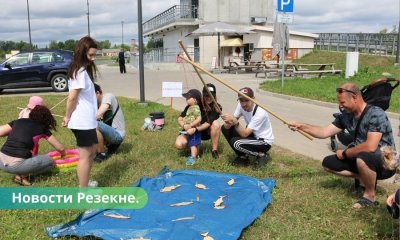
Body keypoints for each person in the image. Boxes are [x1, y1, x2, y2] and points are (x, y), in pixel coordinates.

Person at [288, 83, 396, 208]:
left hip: (386, 163)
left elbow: (370, 146)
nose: (341, 106)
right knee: (328, 164)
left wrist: (345, 153)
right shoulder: (346, 116)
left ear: (355, 97)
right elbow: (324, 132)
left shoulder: (376, 114)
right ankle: (367, 177)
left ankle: (369, 197)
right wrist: (301, 126)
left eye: (343, 102)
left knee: (364, 156)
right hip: (363, 157)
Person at [63, 36, 99, 187]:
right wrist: (67, 116)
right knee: (85, 156)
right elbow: (72, 98)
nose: (92, 58)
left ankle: (84, 183)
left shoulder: (83, 70)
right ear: (81, 52)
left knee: (91, 154)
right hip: (82, 122)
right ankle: (82, 191)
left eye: (94, 55)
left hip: (87, 121)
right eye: (90, 55)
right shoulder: (79, 71)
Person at [0, 105, 65, 186]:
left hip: (1, 162)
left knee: (31, 157)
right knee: (50, 162)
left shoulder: (18, 121)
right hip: (15, 165)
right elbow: (60, 148)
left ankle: (21, 174)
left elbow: (1, 132)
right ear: (47, 118)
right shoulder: (42, 128)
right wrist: (63, 154)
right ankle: (22, 176)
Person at [220, 87, 274, 168]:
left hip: (263, 142)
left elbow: (245, 134)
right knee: (224, 128)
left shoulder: (260, 112)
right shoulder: (240, 105)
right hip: (252, 135)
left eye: (246, 100)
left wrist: (234, 121)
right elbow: (229, 125)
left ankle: (262, 155)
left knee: (236, 143)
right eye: (241, 100)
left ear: (253, 99)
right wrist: (227, 121)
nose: (244, 104)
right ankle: (243, 156)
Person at [175, 84, 222, 160]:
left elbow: (207, 123)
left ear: (214, 96)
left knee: (216, 124)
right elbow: (180, 117)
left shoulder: (217, 108)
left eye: (211, 95)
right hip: (189, 130)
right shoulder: (195, 103)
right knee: (179, 144)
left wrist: (195, 129)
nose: (209, 98)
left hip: (204, 132)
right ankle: (190, 145)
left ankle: (214, 150)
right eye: (206, 95)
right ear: (203, 95)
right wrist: (184, 126)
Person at [94, 83, 125, 162]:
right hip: (109, 136)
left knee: (92, 124)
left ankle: (101, 154)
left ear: (98, 92)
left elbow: (98, 114)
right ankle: (108, 146)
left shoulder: (108, 96)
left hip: (118, 135)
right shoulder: (95, 105)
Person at [176, 89, 202, 165]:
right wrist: (184, 123)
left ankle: (193, 157)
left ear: (195, 100)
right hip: (187, 129)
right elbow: (185, 117)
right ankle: (192, 152)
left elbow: (199, 118)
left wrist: (191, 125)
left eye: (188, 98)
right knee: (192, 142)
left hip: (193, 130)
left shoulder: (196, 108)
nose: (186, 99)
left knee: (193, 143)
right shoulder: (189, 107)